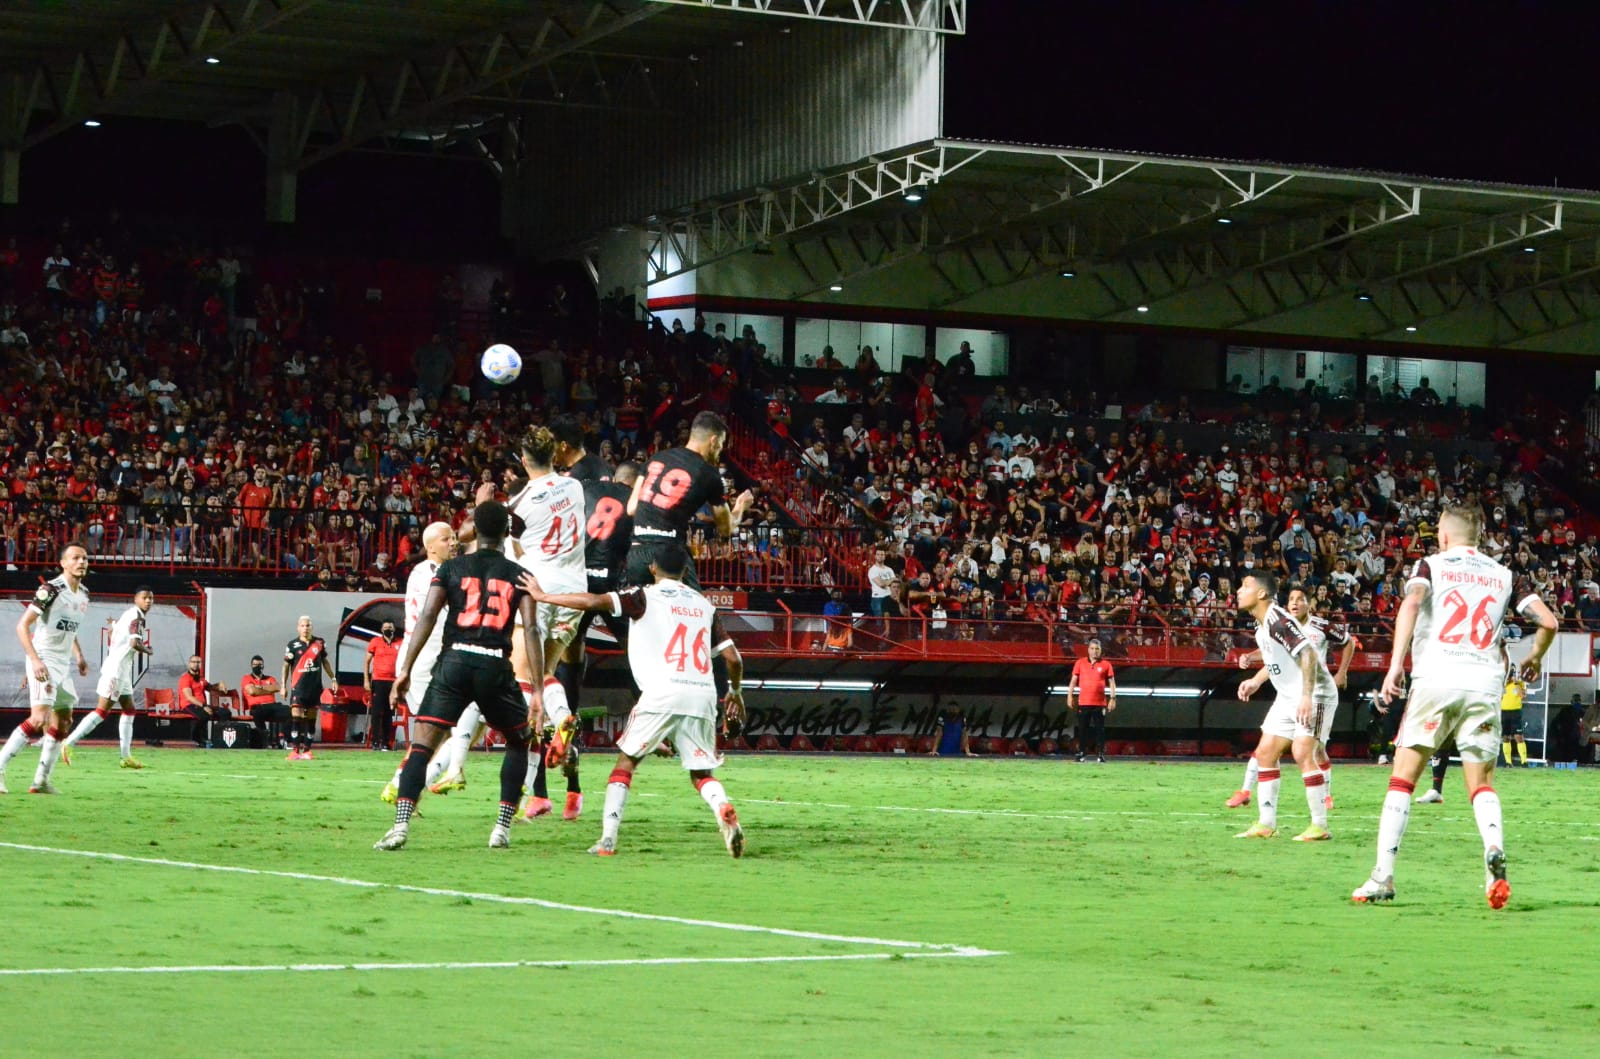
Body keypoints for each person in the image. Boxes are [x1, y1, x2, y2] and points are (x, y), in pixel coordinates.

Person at [1352, 504, 1557, 907]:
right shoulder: (1506, 575)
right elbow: (1548, 622)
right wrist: (1534, 657)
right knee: (1481, 784)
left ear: (1443, 536)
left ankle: (1383, 877)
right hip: (1483, 685)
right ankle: (1493, 855)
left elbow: (1412, 604)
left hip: (1436, 678)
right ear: (1479, 536)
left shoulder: (1430, 566)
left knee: (1402, 779)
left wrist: (1395, 665)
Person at [518, 539, 746, 858]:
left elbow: (592, 601)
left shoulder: (642, 597)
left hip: (661, 692)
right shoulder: (705, 606)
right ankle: (722, 806)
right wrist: (735, 692)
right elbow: (733, 659)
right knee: (701, 774)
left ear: (652, 568)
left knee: (625, 765)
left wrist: (544, 596)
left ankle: (608, 840)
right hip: (702, 694)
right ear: (685, 571)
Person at [376, 501, 542, 851]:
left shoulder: (450, 568)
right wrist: (538, 689)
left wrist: (405, 669)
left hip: (454, 662)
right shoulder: (520, 575)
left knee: (422, 744)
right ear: (507, 532)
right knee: (518, 741)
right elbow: (531, 631)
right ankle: (501, 828)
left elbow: (427, 616)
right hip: (495, 665)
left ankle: (400, 826)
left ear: (473, 531)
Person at [526, 459, 640, 821]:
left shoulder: (578, 492)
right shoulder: (630, 500)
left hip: (572, 589)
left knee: (543, 676)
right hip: (612, 590)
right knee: (640, 653)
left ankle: (540, 791)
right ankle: (575, 785)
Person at [501, 426, 586, 817]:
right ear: (555, 455)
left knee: (524, 678)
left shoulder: (517, 504)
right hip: (574, 592)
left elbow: (514, 546)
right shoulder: (575, 487)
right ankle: (561, 720)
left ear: (522, 460)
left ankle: (557, 723)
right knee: (547, 674)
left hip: (538, 589)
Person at [1233, 569, 1340, 842]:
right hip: (1288, 696)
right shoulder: (1263, 625)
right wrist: (1256, 681)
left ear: (1261, 593)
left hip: (1316, 693)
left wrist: (1306, 696)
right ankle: (1266, 823)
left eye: (1245, 586)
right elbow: (1275, 658)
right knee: (1265, 752)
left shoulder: (1278, 620)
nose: (1238, 591)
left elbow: (1308, 654)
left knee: (1302, 751)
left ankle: (1320, 826)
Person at [381, 522, 463, 805]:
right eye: (446, 539)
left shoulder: (421, 571)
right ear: (430, 547)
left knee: (441, 733)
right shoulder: (435, 574)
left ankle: (404, 786)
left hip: (423, 658)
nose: (453, 542)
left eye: (454, 537)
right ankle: (405, 786)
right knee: (443, 732)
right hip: (424, 660)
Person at [0, 542, 91, 794]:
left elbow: (70, 629)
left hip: (63, 663)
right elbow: (22, 626)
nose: (81, 562)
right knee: (39, 718)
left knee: (64, 720)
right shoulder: (50, 589)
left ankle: (41, 780)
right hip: (44, 659)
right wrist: (35, 661)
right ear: (63, 563)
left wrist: (79, 656)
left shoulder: (84, 593)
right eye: (75, 558)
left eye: (84, 558)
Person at [60, 586, 154, 768]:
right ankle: (68, 742)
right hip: (116, 670)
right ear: (136, 599)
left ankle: (125, 757)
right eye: (144, 597)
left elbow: (113, 632)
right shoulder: (136, 618)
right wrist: (147, 650)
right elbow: (134, 643)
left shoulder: (128, 615)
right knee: (102, 711)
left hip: (122, 670)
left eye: (151, 598)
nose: (148, 601)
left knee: (129, 709)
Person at [282, 615, 335, 761]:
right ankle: (295, 750)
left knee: (311, 719)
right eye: (303, 626)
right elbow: (286, 666)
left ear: (312, 627)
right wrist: (283, 686)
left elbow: (325, 662)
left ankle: (307, 750)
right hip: (298, 686)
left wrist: (333, 678)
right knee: (296, 718)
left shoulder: (319, 643)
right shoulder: (292, 645)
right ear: (298, 628)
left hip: (314, 687)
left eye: (308, 625)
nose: (305, 628)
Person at [1066, 637, 1116, 763]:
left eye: (1097, 649)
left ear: (1101, 650)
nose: (1095, 651)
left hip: (1100, 703)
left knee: (1100, 730)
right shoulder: (1080, 663)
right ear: (1088, 650)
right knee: (1083, 730)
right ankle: (1082, 753)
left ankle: (1100, 754)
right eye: (1092, 648)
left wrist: (1112, 698)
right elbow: (1073, 681)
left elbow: (1112, 683)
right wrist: (1069, 696)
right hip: (1084, 702)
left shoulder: (1106, 664)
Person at [178, 654, 230, 748]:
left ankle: (220, 739)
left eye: (198, 662)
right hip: (189, 705)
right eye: (193, 662)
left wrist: (220, 685)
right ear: (189, 664)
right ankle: (200, 740)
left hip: (202, 705)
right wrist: (204, 706)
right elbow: (189, 697)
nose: (196, 664)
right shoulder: (185, 678)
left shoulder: (201, 678)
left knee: (225, 712)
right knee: (204, 714)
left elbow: (210, 688)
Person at [364, 620, 401, 751]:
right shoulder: (375, 642)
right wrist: (366, 680)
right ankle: (375, 742)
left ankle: (386, 743)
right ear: (381, 630)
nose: (388, 629)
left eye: (390, 627)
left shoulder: (400, 643)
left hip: (393, 682)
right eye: (385, 627)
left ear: (394, 629)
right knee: (376, 712)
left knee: (388, 713)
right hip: (378, 681)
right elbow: (367, 662)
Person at [240, 655, 286, 749]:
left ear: (263, 666)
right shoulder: (246, 678)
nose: (257, 667)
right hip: (257, 707)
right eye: (255, 664)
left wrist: (259, 688)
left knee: (289, 711)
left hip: (272, 706)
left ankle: (285, 739)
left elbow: (277, 688)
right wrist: (269, 689)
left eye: (260, 665)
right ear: (251, 665)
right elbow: (252, 691)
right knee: (257, 712)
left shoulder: (270, 678)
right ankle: (264, 739)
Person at [1499, 670, 1528, 767]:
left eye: (1509, 676)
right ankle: (1508, 762)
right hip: (1504, 712)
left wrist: (1516, 684)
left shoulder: (1520, 683)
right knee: (1505, 737)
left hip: (1515, 712)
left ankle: (1524, 762)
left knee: (1518, 736)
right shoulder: (1502, 684)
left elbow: (1522, 696)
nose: (1508, 678)